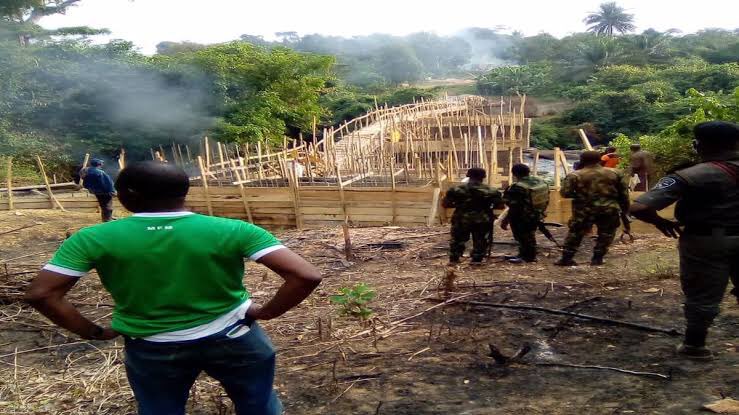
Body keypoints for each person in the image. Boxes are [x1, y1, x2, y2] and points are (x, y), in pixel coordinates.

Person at [25, 161, 322, 414]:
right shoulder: (234, 229)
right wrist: (266, 312)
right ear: (184, 192)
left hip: (152, 346)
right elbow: (306, 275)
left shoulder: (92, 238)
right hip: (235, 336)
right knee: (259, 404)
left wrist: (94, 332)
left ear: (128, 195)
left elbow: (42, 293)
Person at [630, 121, 739, 361]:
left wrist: (661, 222)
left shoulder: (690, 175)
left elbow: (639, 207)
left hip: (707, 241)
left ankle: (695, 346)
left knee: (703, 294)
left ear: (697, 145)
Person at [556, 151, 630, 266]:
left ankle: (566, 259)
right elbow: (624, 194)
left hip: (583, 210)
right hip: (609, 209)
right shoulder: (616, 173)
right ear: (600, 160)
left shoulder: (575, 175)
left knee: (576, 233)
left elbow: (565, 193)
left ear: (582, 161)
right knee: (606, 234)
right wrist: (625, 210)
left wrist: (581, 196)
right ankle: (597, 259)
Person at [442, 167, 504, 265]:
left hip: (461, 218)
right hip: (483, 219)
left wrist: (460, 205)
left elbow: (445, 204)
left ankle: (454, 259)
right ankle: (477, 259)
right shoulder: (492, 191)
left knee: (458, 239)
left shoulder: (456, 190)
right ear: (484, 177)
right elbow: (500, 206)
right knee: (481, 239)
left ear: (468, 175)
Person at [501, 163, 550, 263]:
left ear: (514, 174)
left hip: (523, 216)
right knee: (529, 234)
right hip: (537, 212)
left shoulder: (517, 187)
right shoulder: (541, 181)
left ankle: (529, 257)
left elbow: (513, 206)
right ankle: (524, 254)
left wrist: (506, 220)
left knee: (523, 236)